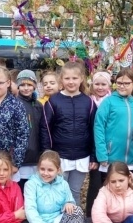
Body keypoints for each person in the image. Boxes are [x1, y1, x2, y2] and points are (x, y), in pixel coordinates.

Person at [40, 61, 97, 206]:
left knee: (74, 191)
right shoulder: (53, 101)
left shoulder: (88, 102)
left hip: (82, 156)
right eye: (67, 78)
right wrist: (47, 153)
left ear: (81, 79)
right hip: (60, 157)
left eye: (74, 78)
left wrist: (94, 156)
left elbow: (94, 130)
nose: (71, 82)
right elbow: (45, 128)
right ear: (61, 80)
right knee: (58, 190)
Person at [90, 68, 133, 223]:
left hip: (132, 159)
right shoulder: (109, 102)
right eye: (119, 83)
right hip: (111, 158)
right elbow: (98, 127)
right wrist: (102, 154)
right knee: (108, 193)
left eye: (126, 83)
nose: (122, 86)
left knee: (127, 192)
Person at [15, 70, 43, 189]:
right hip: (22, 157)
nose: (26, 88)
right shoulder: (15, 103)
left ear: (34, 86)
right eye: (22, 85)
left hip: (36, 155)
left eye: (29, 85)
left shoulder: (38, 105)